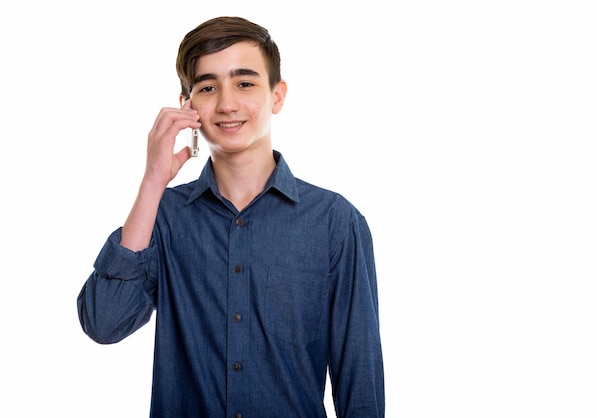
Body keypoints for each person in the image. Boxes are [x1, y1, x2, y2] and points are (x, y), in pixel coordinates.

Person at [77, 16, 384, 417]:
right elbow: (104, 323)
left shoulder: (334, 221)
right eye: (207, 87)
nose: (226, 103)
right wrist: (153, 183)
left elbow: (359, 375)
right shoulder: (163, 217)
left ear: (277, 95)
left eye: (245, 83)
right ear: (188, 105)